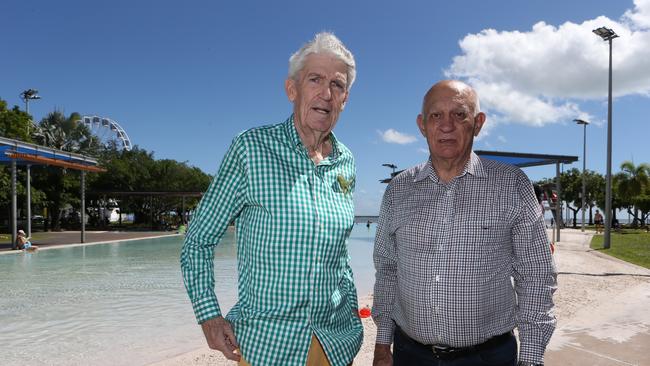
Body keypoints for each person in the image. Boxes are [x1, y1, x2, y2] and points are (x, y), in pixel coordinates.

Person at [180, 32, 362, 366]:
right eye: (315, 80)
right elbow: (198, 240)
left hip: (336, 345)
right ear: (292, 89)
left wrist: (352, 307)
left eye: (337, 85)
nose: (326, 93)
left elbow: (341, 252)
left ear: (345, 98)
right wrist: (209, 316)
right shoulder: (251, 149)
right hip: (268, 347)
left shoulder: (346, 161)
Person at [372, 80, 557, 366]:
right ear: (422, 125)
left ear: (478, 123)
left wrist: (531, 359)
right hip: (410, 355)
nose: (446, 125)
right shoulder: (398, 189)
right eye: (436, 115)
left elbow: (536, 276)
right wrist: (383, 343)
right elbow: (387, 269)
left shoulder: (511, 185)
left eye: (459, 115)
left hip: (487, 357)